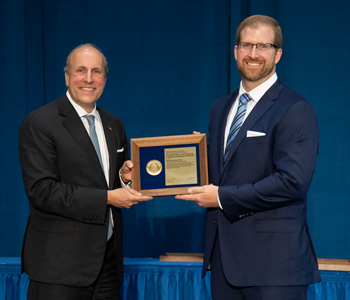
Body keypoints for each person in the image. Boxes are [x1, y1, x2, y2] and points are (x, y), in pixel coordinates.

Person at [176, 15, 321, 300]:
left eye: (263, 46)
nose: (253, 54)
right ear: (235, 51)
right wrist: (150, 169)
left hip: (274, 269)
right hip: (224, 263)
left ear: (278, 54)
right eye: (246, 45)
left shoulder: (295, 109)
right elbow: (224, 169)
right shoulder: (220, 108)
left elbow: (292, 182)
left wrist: (220, 198)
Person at [18, 43, 152, 300]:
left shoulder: (114, 125)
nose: (89, 79)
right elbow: (42, 191)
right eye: (81, 70)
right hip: (59, 268)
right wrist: (109, 198)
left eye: (96, 71)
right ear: (67, 76)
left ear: (105, 78)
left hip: (108, 265)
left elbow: (108, 182)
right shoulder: (40, 123)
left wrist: (124, 180)